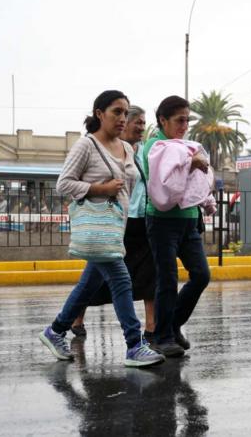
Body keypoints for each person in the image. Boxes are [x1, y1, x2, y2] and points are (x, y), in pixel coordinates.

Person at [39, 90, 164, 368]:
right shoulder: (86, 145)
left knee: (88, 285)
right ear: (99, 114)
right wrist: (99, 189)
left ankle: (55, 330)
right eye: (116, 112)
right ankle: (134, 345)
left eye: (125, 112)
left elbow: (130, 185)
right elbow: (64, 184)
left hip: (115, 227)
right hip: (96, 228)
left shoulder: (128, 148)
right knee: (121, 280)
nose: (122, 118)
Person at [70, 106, 157, 340]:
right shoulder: (100, 148)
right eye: (137, 122)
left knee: (149, 274)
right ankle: (69, 322)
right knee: (99, 278)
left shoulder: (139, 151)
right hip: (114, 223)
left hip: (141, 218)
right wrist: (101, 189)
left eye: (143, 123)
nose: (141, 127)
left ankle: (150, 327)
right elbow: (67, 183)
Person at [142, 95, 210, 358]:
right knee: (167, 278)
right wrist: (189, 163)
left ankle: (172, 325)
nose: (184, 125)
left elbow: (198, 180)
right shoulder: (154, 146)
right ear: (163, 120)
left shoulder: (187, 145)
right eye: (179, 120)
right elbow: (161, 181)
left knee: (201, 275)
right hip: (161, 221)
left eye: (187, 120)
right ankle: (162, 337)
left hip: (188, 219)